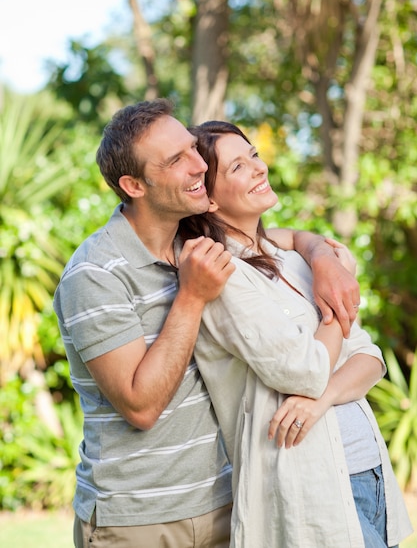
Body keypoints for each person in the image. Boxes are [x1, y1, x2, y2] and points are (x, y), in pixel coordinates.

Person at [53, 99, 364, 548]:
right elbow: (140, 407)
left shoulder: (193, 243)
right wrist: (191, 296)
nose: (199, 164)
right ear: (133, 184)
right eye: (176, 159)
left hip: (226, 502)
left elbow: (283, 237)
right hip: (138, 519)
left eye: (192, 150)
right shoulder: (96, 273)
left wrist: (322, 258)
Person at [179, 120, 413, 548]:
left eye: (253, 155)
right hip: (310, 487)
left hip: (371, 472)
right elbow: (304, 371)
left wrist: (320, 399)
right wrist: (336, 295)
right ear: (208, 199)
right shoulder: (222, 277)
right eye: (237, 167)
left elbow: (370, 358)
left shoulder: (294, 262)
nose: (259, 168)